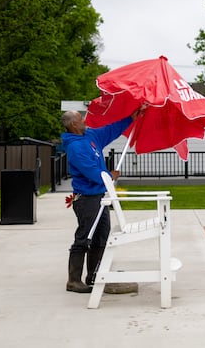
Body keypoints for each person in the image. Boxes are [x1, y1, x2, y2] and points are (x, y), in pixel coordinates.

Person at [60, 109, 138, 293]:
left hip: (100, 197)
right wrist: (109, 176)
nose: (85, 120)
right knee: (85, 237)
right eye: (81, 119)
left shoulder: (91, 135)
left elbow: (110, 130)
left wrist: (131, 117)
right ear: (73, 125)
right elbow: (91, 171)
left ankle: (94, 275)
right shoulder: (75, 147)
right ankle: (73, 280)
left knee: (101, 236)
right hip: (86, 199)